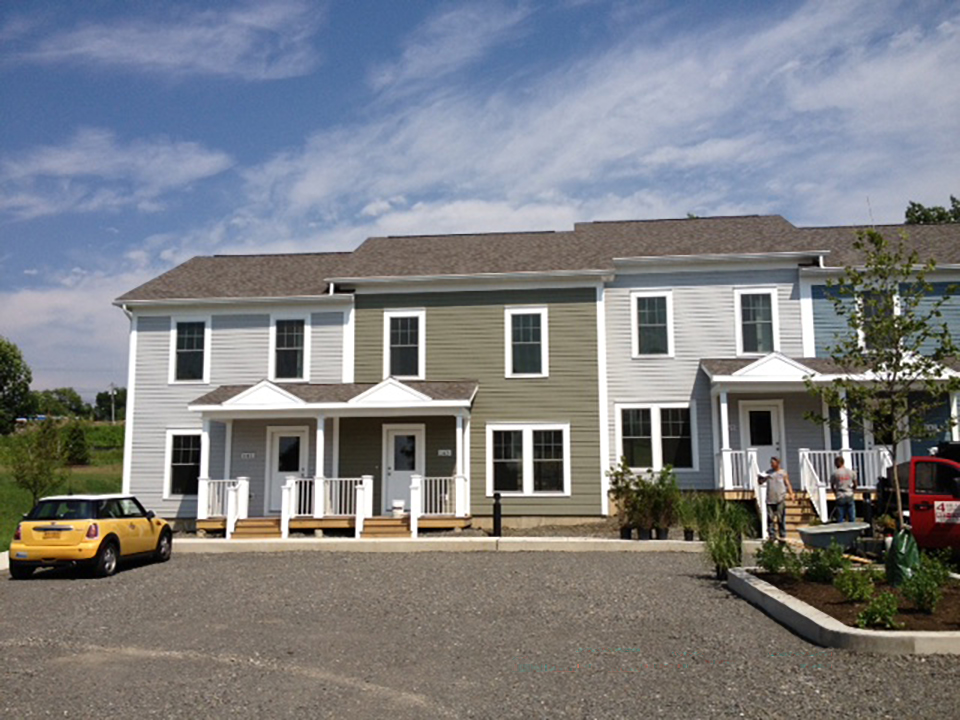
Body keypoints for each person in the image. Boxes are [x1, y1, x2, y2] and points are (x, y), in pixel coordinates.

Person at [759, 456, 795, 541]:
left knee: (780, 517)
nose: (771, 464)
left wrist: (791, 494)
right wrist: (761, 478)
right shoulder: (768, 473)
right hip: (770, 499)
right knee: (770, 518)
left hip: (780, 498)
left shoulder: (782, 473)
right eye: (771, 463)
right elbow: (760, 482)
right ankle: (772, 535)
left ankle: (782, 534)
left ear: (777, 463)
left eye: (773, 463)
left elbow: (787, 484)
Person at [829, 455, 857, 523]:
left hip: (840, 495)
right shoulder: (851, 472)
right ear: (843, 462)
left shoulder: (835, 473)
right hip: (849, 494)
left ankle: (841, 531)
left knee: (840, 517)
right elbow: (855, 484)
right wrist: (853, 489)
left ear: (836, 464)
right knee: (852, 516)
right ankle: (853, 530)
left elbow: (832, 485)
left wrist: (835, 493)